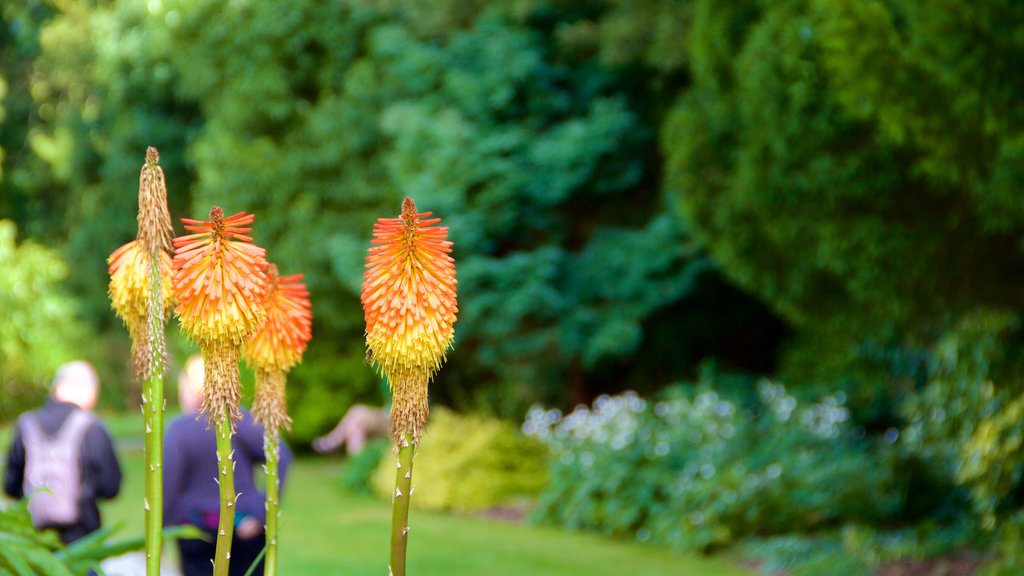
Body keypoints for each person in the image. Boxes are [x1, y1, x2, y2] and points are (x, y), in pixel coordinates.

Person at [164, 355, 292, 576]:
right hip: (244, 526)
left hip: (196, 529)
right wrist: (262, 512)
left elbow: (169, 486)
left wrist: (163, 528)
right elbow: (281, 455)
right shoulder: (238, 418)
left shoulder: (179, 429)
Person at [3, 361, 123, 544]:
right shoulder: (91, 427)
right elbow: (111, 487)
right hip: (82, 540)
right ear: (86, 389)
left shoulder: (26, 424)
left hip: (35, 541)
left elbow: (10, 485)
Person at [311, 403, 388, 455]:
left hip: (390, 418)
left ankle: (333, 440)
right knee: (356, 429)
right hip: (386, 414)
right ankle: (356, 463)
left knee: (358, 412)